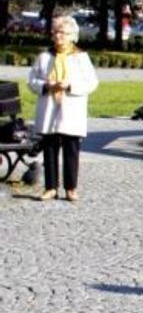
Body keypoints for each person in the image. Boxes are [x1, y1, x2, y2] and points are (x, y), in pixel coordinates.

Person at [28, 15, 99, 203]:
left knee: (71, 150)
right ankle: (50, 187)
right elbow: (32, 81)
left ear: (72, 36)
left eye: (63, 33)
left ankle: (71, 188)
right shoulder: (44, 57)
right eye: (56, 32)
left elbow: (91, 82)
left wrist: (70, 85)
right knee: (50, 148)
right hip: (50, 106)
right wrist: (46, 85)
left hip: (71, 108)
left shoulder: (81, 57)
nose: (58, 36)